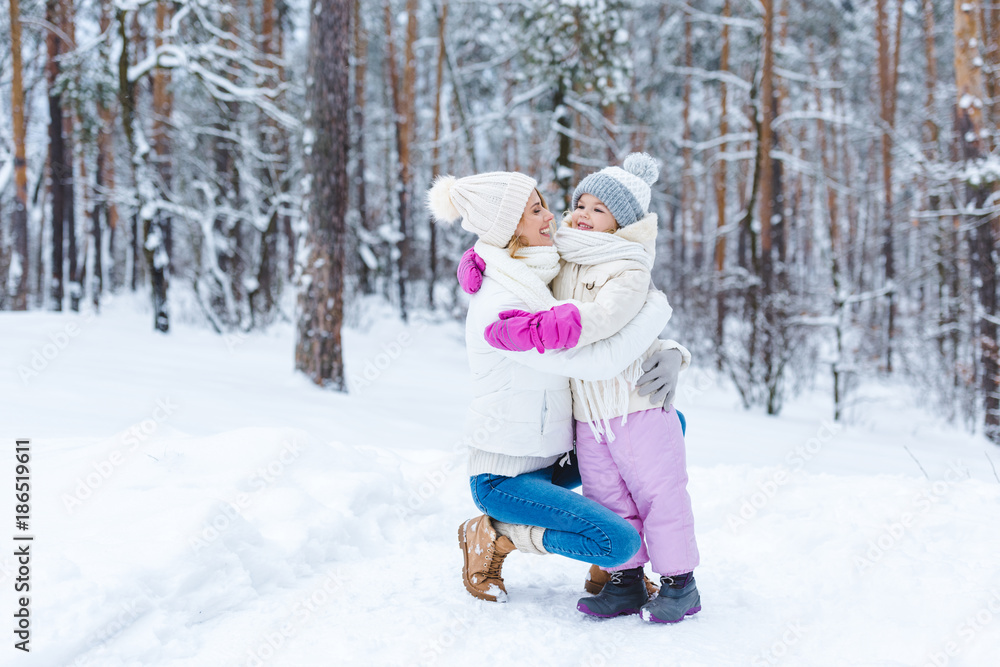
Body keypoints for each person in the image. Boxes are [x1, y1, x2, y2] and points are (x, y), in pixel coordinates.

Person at [426, 171, 685, 604]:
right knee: (614, 544)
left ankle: (623, 577)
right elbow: (601, 360)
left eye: (545, 203)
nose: (553, 216)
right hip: (505, 476)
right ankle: (497, 534)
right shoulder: (503, 307)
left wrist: (674, 350)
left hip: (552, 455)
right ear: (510, 228)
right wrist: (659, 310)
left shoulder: (540, 267)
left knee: (665, 425)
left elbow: (614, 291)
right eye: (535, 210)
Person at [480, 154, 701, 624]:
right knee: (609, 499)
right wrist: (477, 260)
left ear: (622, 222)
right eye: (580, 202)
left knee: (661, 496)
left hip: (637, 406)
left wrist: (545, 328)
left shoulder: (628, 267)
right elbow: (518, 258)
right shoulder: (564, 256)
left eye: (599, 209)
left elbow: (606, 319)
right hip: (589, 418)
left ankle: (681, 584)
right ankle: (625, 581)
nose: (581, 213)